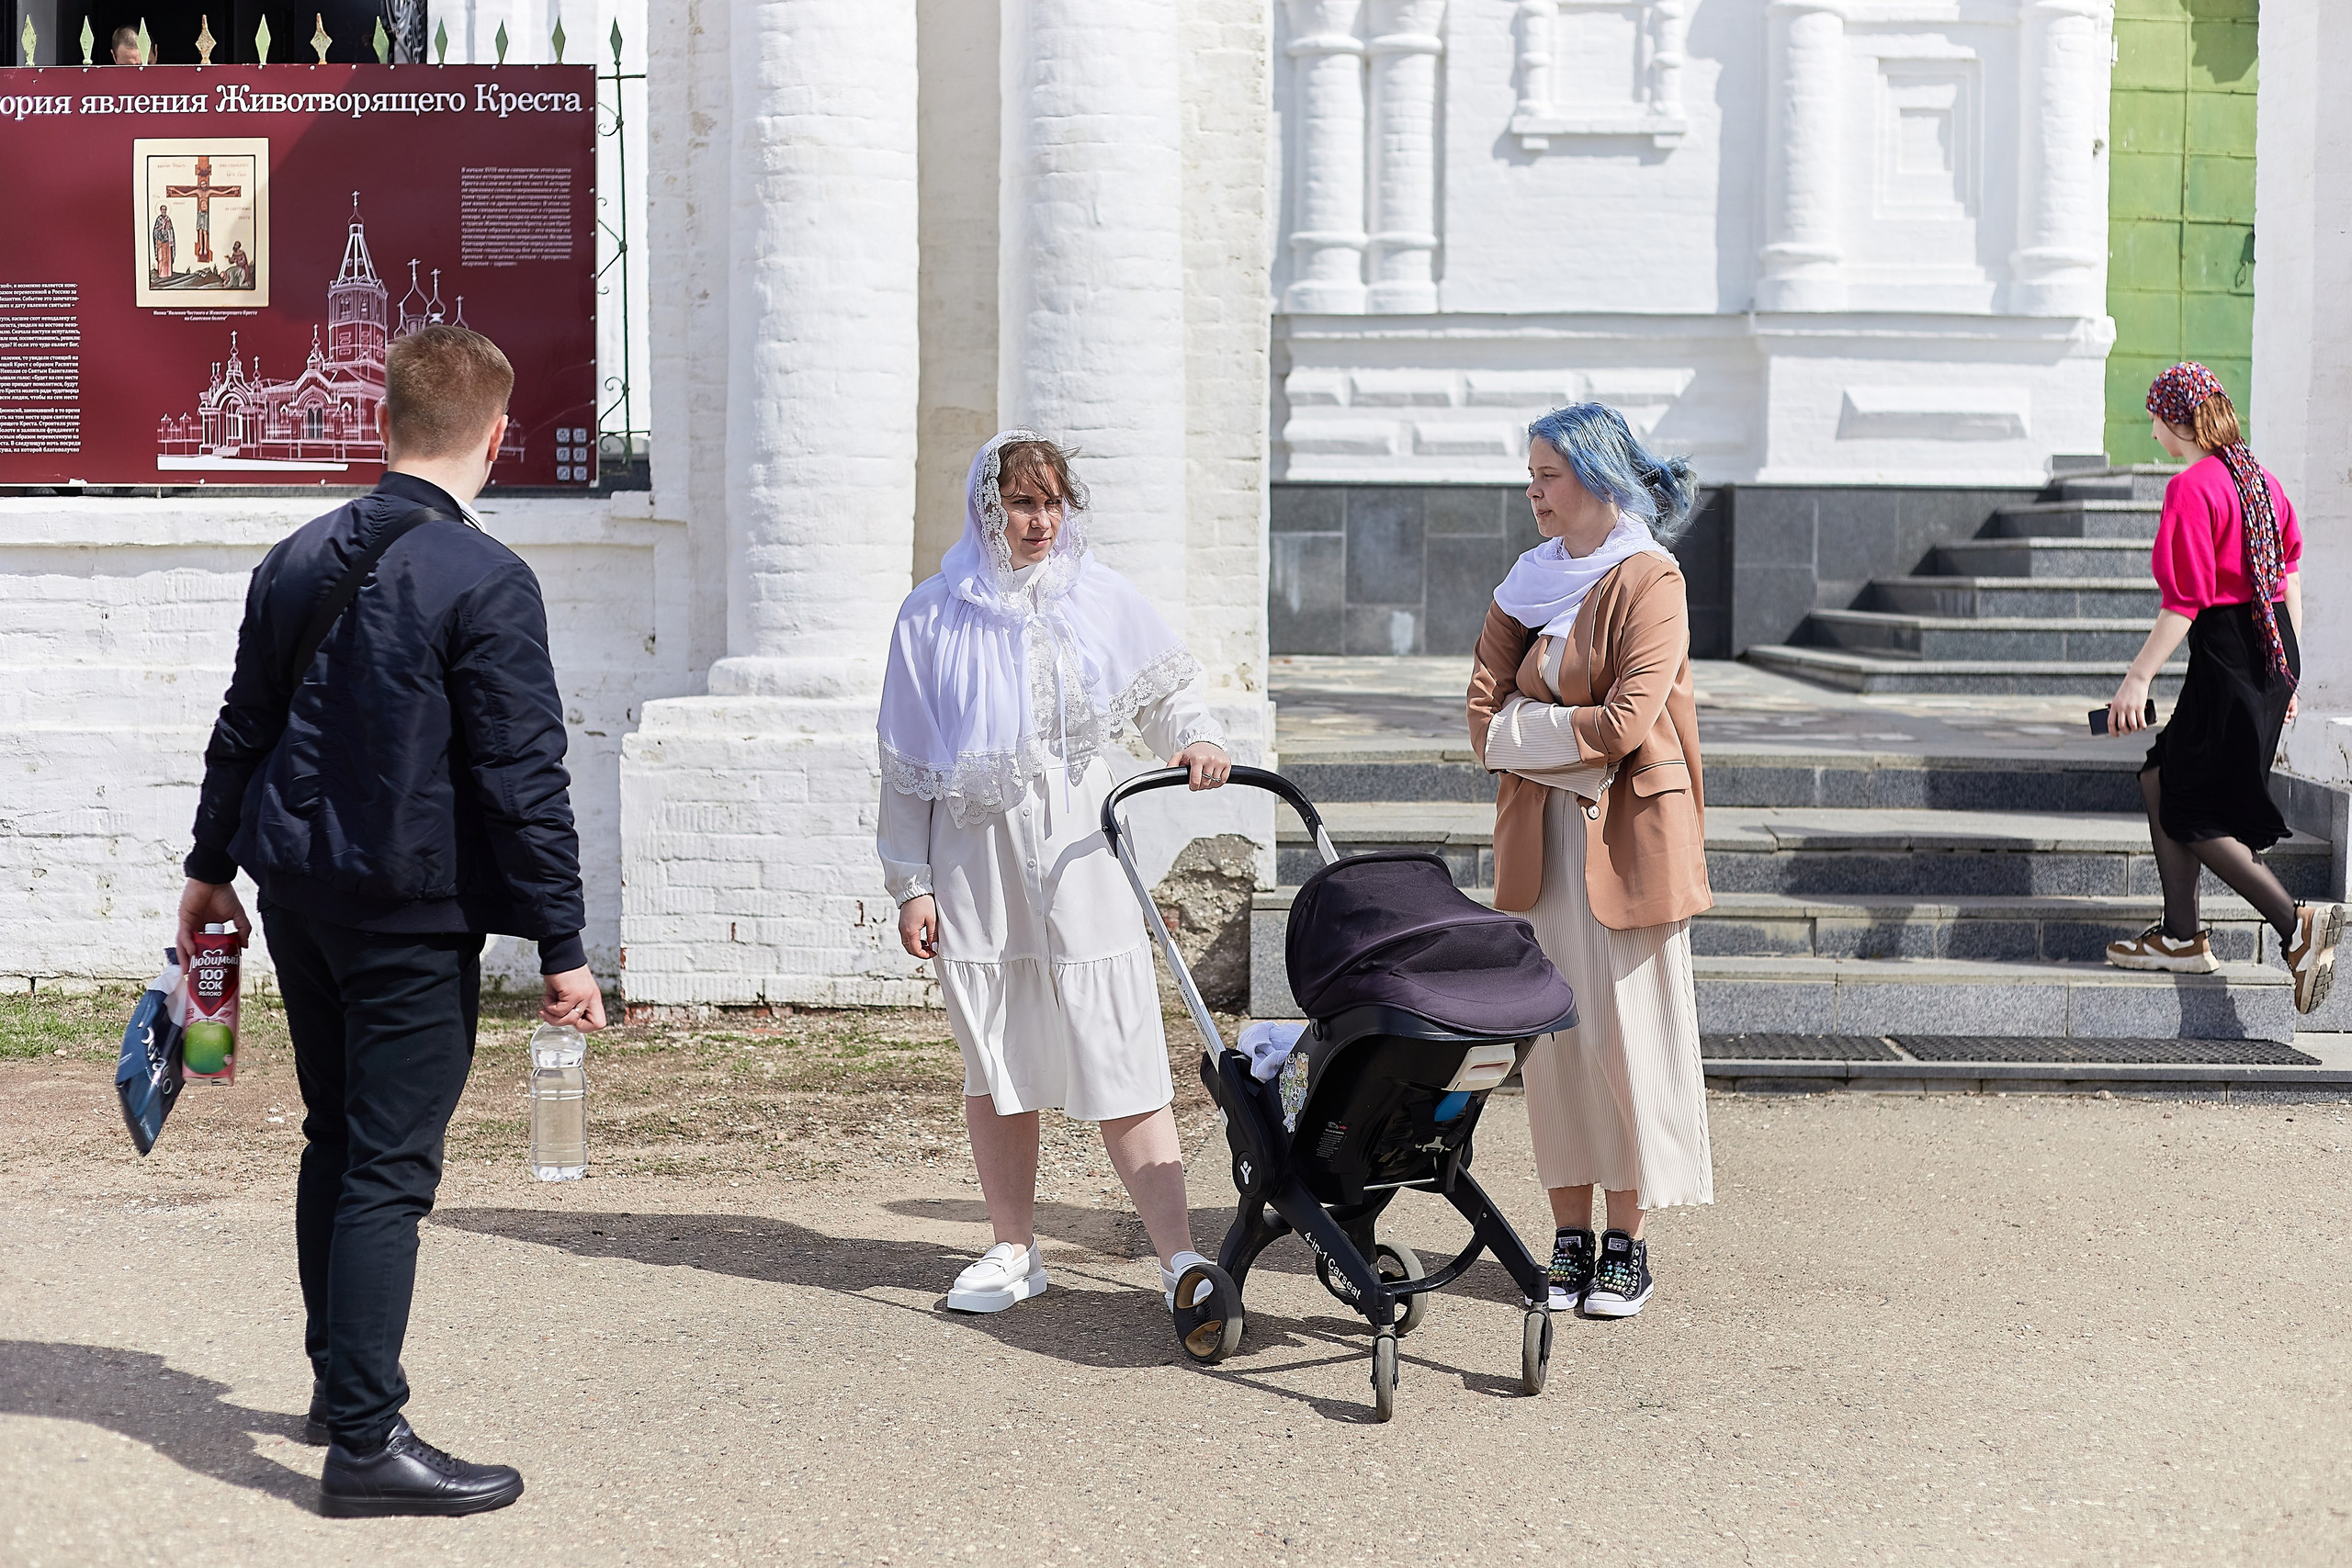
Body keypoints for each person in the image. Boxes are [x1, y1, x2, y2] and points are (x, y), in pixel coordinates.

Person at [180, 324, 600, 1517]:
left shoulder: (296, 554)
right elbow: (527, 776)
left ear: (384, 423)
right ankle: (364, 1439)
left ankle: (335, 1382)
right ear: (497, 433)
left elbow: (241, 726)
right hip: (410, 914)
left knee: (336, 1134)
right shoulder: (488, 578)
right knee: (387, 1166)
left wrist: (210, 870)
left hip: (298, 897)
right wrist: (564, 944)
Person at [876, 431, 1230, 1315]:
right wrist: (910, 880)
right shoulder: (931, 614)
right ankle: (1012, 1247)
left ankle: (1178, 1253)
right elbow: (907, 763)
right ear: (987, 509)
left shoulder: (1100, 599)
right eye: (1021, 504)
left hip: (1081, 850)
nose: (1039, 522)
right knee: (996, 1053)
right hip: (975, 860)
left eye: (1051, 503)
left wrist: (1194, 735)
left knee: (1120, 1041)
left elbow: (1163, 695)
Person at [1464, 403, 1712, 1322]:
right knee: (1559, 1046)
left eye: (1548, 476)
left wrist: (1523, 731)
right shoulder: (1524, 582)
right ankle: (1566, 1238)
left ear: (1600, 479)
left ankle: (1626, 1246)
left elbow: (1625, 727)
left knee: (1628, 1041)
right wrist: (1536, 736)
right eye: (1529, 474)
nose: (1532, 490)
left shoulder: (1651, 579)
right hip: (1540, 840)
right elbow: (1475, 725)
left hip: (1629, 840)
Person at [2102, 362, 2345, 1012]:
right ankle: (2181, 935)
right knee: (2162, 778)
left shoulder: (2193, 488)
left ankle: (2295, 922)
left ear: (2177, 419)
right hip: (2266, 654)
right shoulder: (2260, 480)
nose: (2152, 431)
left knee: (2189, 805)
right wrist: (2286, 665)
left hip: (2228, 656)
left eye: (2155, 416)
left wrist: (2136, 679)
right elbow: (2288, 572)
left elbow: (2184, 603)